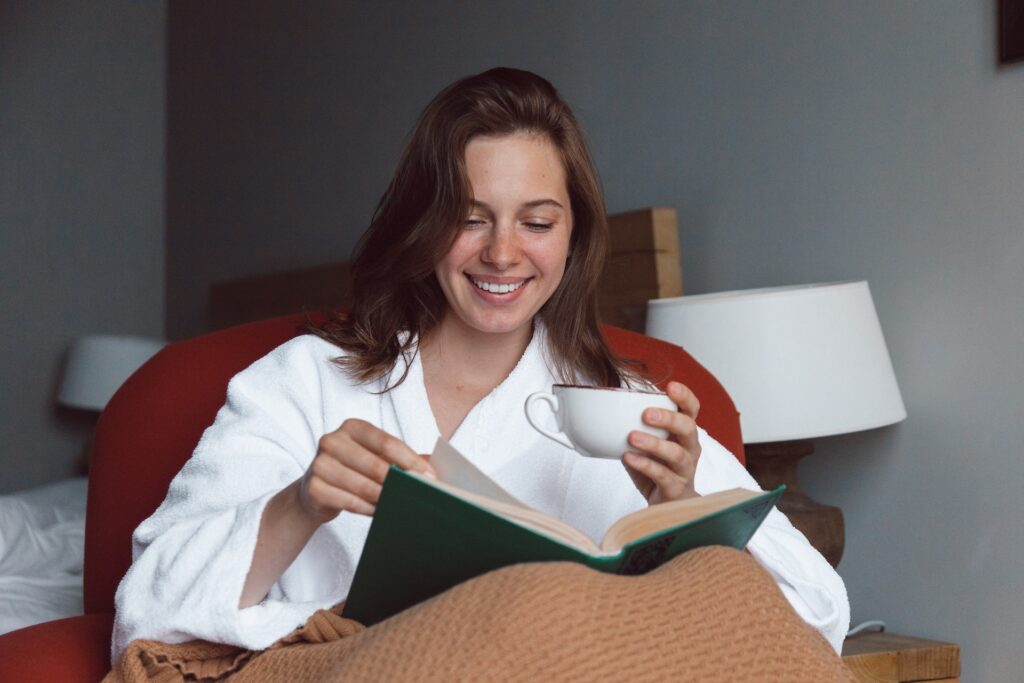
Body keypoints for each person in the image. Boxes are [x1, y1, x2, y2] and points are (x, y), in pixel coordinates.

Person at [112, 67, 849, 663]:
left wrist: (682, 507)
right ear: (423, 224)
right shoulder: (304, 383)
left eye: (536, 221)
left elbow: (816, 615)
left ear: (573, 236)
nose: (502, 252)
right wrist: (299, 505)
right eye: (469, 218)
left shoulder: (628, 407)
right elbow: (144, 612)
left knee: (706, 579)